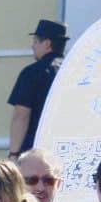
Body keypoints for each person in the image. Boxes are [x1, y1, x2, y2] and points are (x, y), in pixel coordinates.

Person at [8, 20, 67, 157]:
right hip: (65, 148)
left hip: (35, 149)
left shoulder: (32, 72)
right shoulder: (72, 72)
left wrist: (14, 154)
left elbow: (21, 115)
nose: (32, 46)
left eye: (35, 41)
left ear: (47, 44)